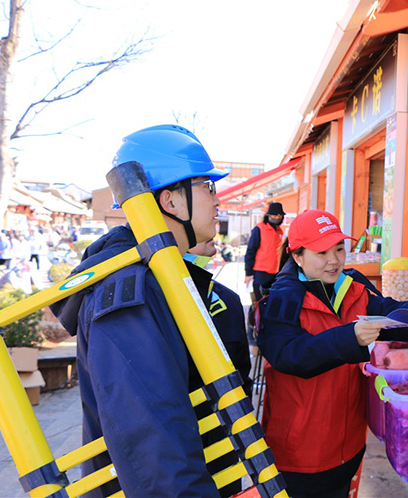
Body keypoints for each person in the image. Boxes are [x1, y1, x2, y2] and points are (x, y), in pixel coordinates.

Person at [50, 124, 229, 497]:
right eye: (207, 187)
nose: (217, 202)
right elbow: (154, 443)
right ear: (172, 201)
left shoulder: (159, 276)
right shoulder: (130, 289)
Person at [257, 209, 408, 498]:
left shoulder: (354, 286)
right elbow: (289, 355)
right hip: (299, 452)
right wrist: (349, 337)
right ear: (297, 256)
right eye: (321, 252)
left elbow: (388, 311)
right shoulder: (280, 298)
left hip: (349, 443)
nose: (334, 260)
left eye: (339, 248)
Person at [184, 238, 253, 497]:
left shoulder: (228, 299)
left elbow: (241, 378)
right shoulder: (149, 295)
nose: (215, 205)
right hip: (180, 447)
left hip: (219, 440)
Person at [244, 202, 285, 299]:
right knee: (259, 302)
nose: (277, 218)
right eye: (274, 215)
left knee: (271, 302)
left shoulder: (280, 231)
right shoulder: (259, 229)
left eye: (279, 216)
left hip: (275, 273)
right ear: (268, 215)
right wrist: (248, 273)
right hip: (260, 273)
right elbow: (251, 251)